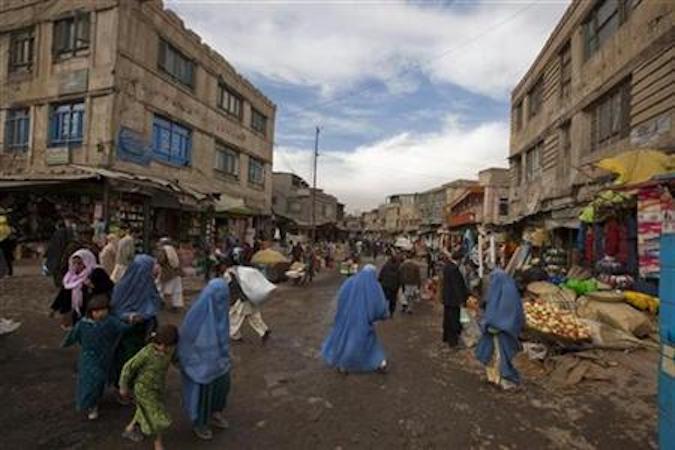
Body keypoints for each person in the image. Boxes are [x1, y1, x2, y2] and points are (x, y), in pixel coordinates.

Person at [178, 279, 233, 441]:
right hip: (200, 363)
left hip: (219, 360)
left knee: (221, 387)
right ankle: (199, 423)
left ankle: (215, 413)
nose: (224, 301)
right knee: (202, 393)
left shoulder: (220, 311)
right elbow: (187, 340)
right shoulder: (198, 313)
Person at [62, 294, 129, 420]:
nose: (100, 313)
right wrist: (66, 343)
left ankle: (94, 401)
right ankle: (90, 405)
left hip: (105, 358)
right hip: (88, 358)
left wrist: (132, 320)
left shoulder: (110, 321)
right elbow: (73, 335)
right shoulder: (83, 324)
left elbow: (124, 328)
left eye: (104, 310)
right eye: (97, 311)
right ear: (91, 312)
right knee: (91, 381)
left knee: (100, 382)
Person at [321, 265, 389, 374]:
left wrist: (342, 313)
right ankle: (379, 363)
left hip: (346, 319)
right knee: (368, 343)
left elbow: (341, 298)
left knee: (345, 341)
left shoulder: (350, 281)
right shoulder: (374, 286)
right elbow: (379, 305)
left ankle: (343, 365)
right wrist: (382, 314)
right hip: (363, 322)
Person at [120, 325, 179, 450]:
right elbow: (128, 367)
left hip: (158, 388)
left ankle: (129, 429)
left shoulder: (171, 351)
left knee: (144, 409)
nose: (162, 348)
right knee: (156, 416)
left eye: (166, 346)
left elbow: (177, 361)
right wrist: (123, 386)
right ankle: (158, 443)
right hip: (143, 389)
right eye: (159, 344)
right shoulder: (147, 353)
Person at [110, 255, 162, 387]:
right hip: (128, 332)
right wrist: (129, 316)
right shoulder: (122, 287)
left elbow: (155, 304)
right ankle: (123, 387)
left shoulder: (149, 286)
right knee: (127, 359)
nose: (154, 272)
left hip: (146, 329)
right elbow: (115, 309)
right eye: (151, 268)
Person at [475, 269, 524, 390]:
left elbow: (497, 312)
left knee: (499, 356)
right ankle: (495, 378)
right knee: (497, 355)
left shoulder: (502, 290)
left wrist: (490, 322)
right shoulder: (509, 288)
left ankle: (504, 379)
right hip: (504, 328)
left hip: (501, 329)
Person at [50, 249, 114, 328]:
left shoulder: (97, 272)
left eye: (80, 263)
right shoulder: (71, 276)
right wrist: (54, 308)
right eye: (74, 263)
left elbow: (109, 286)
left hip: (94, 310)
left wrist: (93, 286)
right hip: (78, 312)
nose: (76, 266)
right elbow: (64, 293)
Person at [228, 265, 271, 344]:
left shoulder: (231, 274)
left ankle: (234, 335)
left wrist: (231, 301)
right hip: (250, 298)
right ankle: (264, 330)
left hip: (242, 300)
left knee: (235, 317)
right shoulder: (241, 272)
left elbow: (233, 289)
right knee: (253, 317)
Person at [442, 250, 469, 348]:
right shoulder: (454, 269)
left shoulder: (447, 267)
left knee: (448, 320)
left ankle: (447, 338)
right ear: (460, 259)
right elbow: (456, 286)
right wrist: (461, 300)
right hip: (453, 300)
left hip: (447, 298)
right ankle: (453, 343)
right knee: (454, 321)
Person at [156, 238, 184, 312]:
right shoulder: (173, 249)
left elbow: (161, 260)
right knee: (177, 290)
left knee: (161, 288)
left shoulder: (163, 250)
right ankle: (176, 305)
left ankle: (162, 303)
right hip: (176, 272)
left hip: (167, 272)